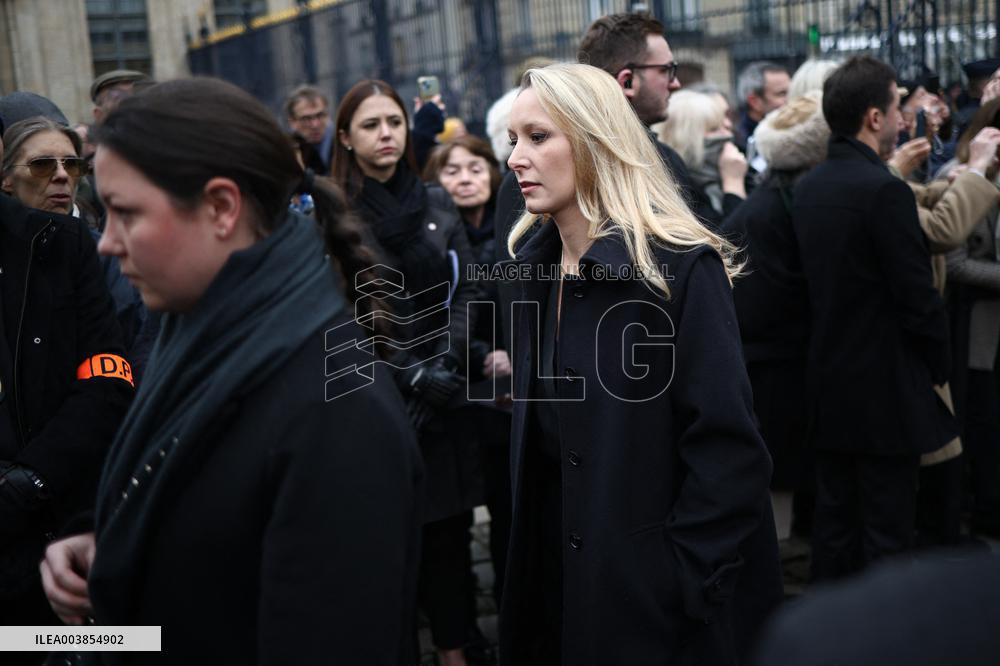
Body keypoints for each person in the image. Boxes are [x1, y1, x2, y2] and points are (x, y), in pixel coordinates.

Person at [39, 77, 424, 664]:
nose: (106, 243)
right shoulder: (194, 335)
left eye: (126, 213)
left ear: (221, 207)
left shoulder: (337, 414)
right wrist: (111, 537)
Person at [499, 62, 779, 666]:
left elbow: (728, 452)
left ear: (595, 141)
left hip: (652, 614)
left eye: (538, 137)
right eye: (513, 140)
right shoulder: (532, 271)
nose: (516, 158)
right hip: (557, 597)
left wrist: (681, 580)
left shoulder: (680, 270)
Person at [331, 79, 480, 666]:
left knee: (451, 537)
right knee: (392, 542)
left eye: (394, 121)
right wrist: (409, 375)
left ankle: (455, 652)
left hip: (445, 389)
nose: (386, 134)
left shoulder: (437, 201)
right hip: (379, 396)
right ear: (346, 137)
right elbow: (342, 308)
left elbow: (467, 288)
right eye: (370, 125)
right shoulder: (333, 212)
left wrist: (445, 363)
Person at [793, 56, 954, 581]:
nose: (905, 119)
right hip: (886, 391)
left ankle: (828, 624)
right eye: (896, 107)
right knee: (888, 532)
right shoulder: (883, 191)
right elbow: (917, 296)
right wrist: (938, 366)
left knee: (836, 528)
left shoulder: (810, 187)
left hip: (828, 386)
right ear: (874, 117)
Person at [0, 110, 131, 662]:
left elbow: (110, 375)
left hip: (63, 508)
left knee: (108, 644)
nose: (60, 175)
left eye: (72, 164)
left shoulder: (81, 247)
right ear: (7, 178)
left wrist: (34, 478)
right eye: (42, 165)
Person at [723, 92, 830, 539]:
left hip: (773, 365)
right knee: (780, 492)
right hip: (775, 370)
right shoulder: (775, 209)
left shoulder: (774, 200)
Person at [424, 135, 513, 608]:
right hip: (454, 382)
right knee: (451, 517)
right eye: (452, 171)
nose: (465, 179)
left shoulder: (516, 230)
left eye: (475, 169)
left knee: (508, 504)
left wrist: (513, 353)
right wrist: (481, 352)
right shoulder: (430, 238)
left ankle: (509, 597)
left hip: (508, 389)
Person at [659, 89, 747, 215]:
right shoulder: (678, 188)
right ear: (686, 138)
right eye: (714, 129)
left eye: (724, 127)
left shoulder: (736, 167)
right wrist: (734, 183)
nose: (727, 135)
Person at [1, 118, 87, 215]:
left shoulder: (97, 222)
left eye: (71, 164)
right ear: (5, 177)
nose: (63, 175)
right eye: (42, 164)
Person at [734, 61, 791, 152]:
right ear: (755, 102)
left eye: (791, 92)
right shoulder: (738, 146)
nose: (790, 99)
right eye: (781, 94)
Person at [285, 84, 334, 175]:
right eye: (306, 119)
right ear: (292, 122)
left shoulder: (343, 144)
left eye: (320, 115)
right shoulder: (286, 152)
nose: (315, 125)